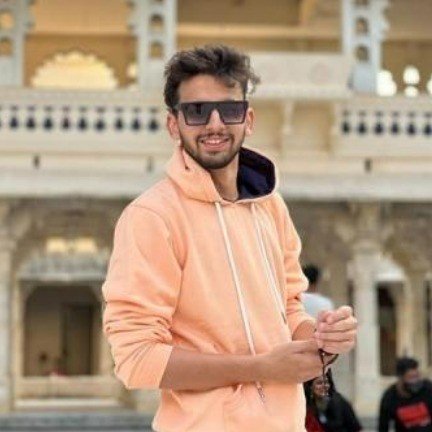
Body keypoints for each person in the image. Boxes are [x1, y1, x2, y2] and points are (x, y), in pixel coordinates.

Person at [102, 45, 358, 432]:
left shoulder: (269, 206)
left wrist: (324, 339)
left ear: (248, 119)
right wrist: (259, 368)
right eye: (197, 111)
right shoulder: (153, 217)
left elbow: (289, 312)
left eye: (229, 109)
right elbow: (137, 359)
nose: (215, 123)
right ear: (173, 124)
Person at [378, 357, 432, 432]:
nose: (415, 381)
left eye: (417, 376)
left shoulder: (428, 389)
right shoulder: (390, 397)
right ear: (401, 378)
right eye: (411, 377)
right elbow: (383, 426)